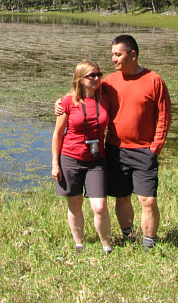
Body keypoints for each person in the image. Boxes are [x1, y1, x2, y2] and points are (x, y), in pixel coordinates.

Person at [56, 35, 171, 250]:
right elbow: (81, 93)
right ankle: (129, 237)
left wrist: (156, 146)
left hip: (144, 150)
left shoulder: (154, 80)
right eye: (112, 55)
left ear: (133, 55)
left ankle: (149, 245)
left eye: (118, 55)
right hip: (115, 150)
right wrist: (60, 103)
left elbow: (164, 116)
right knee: (122, 197)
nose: (113, 59)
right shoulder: (108, 82)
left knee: (148, 200)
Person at [51, 60, 113, 254]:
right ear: (80, 79)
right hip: (70, 158)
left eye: (99, 74)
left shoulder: (105, 99)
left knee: (100, 206)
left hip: (96, 161)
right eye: (91, 75)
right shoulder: (67, 102)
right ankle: (79, 243)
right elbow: (58, 134)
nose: (96, 79)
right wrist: (55, 164)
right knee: (75, 204)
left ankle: (107, 245)